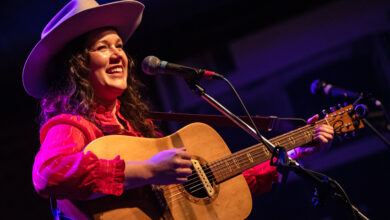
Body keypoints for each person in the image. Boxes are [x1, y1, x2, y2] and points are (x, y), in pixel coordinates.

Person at [23, 0, 334, 219]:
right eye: (103, 47)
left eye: (119, 45)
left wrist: (290, 157)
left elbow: (218, 187)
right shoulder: (73, 125)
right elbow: (49, 173)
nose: (118, 55)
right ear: (78, 67)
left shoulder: (139, 131)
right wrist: (147, 171)